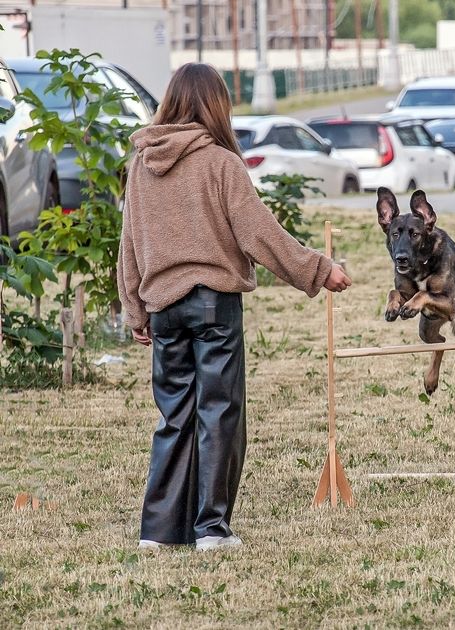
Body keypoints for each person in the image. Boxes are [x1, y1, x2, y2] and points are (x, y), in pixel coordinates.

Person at [116, 63, 351, 552]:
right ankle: (211, 530)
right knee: (220, 413)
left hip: (163, 306)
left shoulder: (140, 164)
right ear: (215, 106)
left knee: (174, 416)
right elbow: (259, 232)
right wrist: (318, 269)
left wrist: (135, 310)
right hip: (212, 306)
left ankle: (157, 532)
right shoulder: (220, 163)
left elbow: (130, 243)